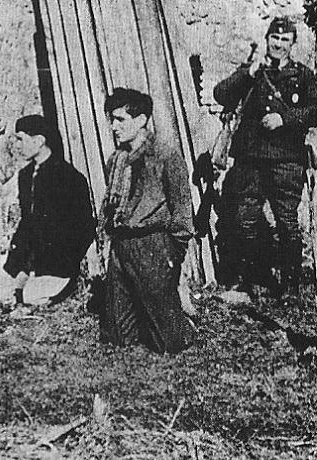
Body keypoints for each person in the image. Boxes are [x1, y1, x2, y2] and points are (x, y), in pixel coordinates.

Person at [213, 16, 317, 298]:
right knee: (245, 218)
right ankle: (251, 280)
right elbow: (221, 93)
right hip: (250, 159)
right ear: (267, 39)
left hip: (286, 160)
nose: (278, 44)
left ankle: (291, 286)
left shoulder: (303, 75)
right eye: (275, 38)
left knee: (286, 221)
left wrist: (284, 118)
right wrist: (248, 73)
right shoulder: (253, 70)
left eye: (285, 40)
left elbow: (314, 110)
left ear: (293, 44)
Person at [99, 88, 193, 354]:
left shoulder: (164, 155)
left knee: (167, 343)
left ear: (141, 120)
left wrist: (172, 253)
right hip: (121, 248)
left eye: (120, 120)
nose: (114, 127)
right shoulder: (116, 160)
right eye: (112, 120)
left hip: (153, 245)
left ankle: (181, 321)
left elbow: (182, 209)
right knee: (117, 337)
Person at [3, 114, 95, 314]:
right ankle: (25, 288)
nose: (16, 146)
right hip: (30, 261)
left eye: (21, 139)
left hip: (57, 262)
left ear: (39, 141)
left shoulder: (69, 178)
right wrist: (19, 265)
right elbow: (27, 222)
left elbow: (83, 228)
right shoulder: (25, 176)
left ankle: (58, 286)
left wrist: (66, 261)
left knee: (29, 296)